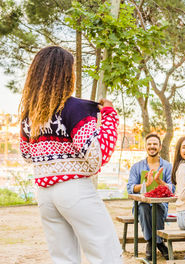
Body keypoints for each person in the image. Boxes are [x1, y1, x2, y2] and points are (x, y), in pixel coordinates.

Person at [19, 46, 122, 263]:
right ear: (66, 73)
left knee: (63, 258)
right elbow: (97, 157)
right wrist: (110, 116)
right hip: (74, 189)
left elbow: (27, 154)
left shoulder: (31, 114)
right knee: (105, 253)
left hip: (45, 194)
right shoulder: (75, 108)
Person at [126, 133, 173, 260]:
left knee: (156, 208)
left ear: (160, 147)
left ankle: (153, 242)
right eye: (149, 144)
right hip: (141, 205)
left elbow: (172, 188)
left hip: (161, 205)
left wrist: (159, 182)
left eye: (155, 144)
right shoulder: (137, 167)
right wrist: (144, 184)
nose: (152, 146)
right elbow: (129, 188)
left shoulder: (167, 166)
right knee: (143, 207)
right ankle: (156, 242)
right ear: (146, 147)